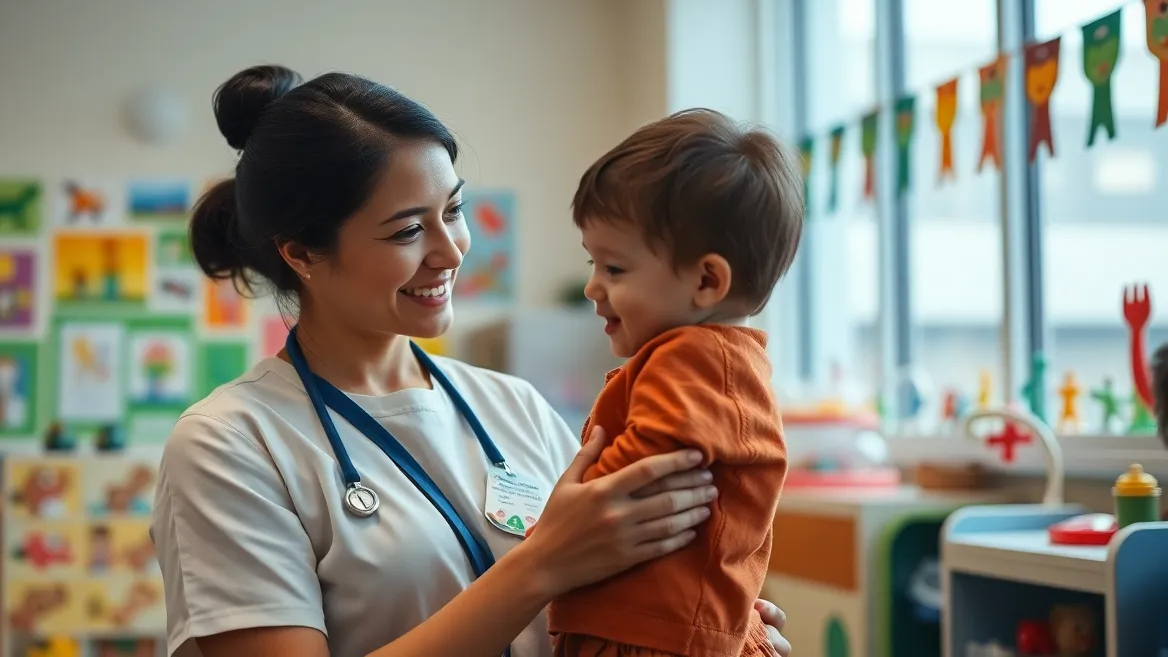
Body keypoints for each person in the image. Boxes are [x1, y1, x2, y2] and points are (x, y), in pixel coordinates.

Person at [150, 65, 794, 657]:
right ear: (303, 255)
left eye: (453, 210)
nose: (451, 251)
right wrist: (543, 563)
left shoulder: (511, 407)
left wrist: (698, 613)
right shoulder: (230, 443)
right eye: (407, 230)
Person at [546, 110, 800, 657]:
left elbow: (646, 470)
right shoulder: (726, 361)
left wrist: (569, 513)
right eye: (593, 263)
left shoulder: (693, 357)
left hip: (644, 638)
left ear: (707, 281)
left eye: (614, 269)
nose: (593, 287)